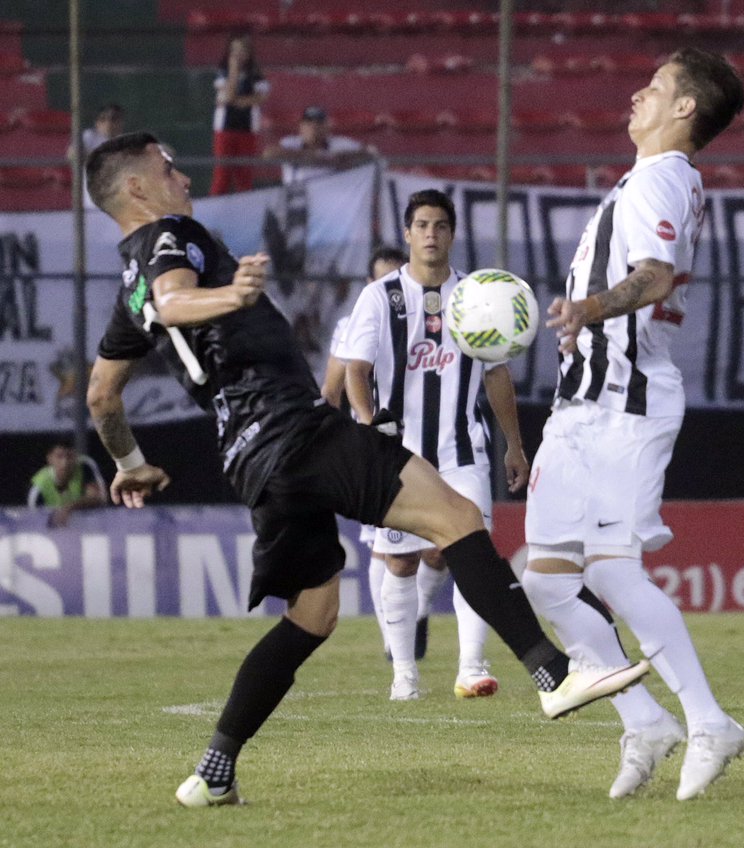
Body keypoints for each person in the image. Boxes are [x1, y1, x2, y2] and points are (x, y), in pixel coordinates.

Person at [82, 132, 650, 808]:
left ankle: (213, 771)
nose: (179, 174)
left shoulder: (127, 287)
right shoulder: (171, 236)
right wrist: (232, 296)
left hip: (250, 461)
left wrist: (131, 463)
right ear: (137, 190)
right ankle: (553, 674)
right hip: (293, 430)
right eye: (165, 166)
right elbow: (176, 302)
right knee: (457, 518)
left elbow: (100, 395)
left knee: (313, 615)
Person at [519, 47, 744, 801]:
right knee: (546, 576)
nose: (635, 95)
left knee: (612, 568)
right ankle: (645, 720)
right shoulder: (646, 177)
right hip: (580, 403)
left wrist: (586, 308)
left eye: (652, 87)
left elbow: (654, 276)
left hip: (628, 397)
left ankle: (711, 720)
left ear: (685, 108)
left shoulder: (661, 176)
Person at [341, 189, 523, 701]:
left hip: (463, 450)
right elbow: (357, 368)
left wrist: (515, 445)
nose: (430, 234)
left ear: (452, 233)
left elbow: (496, 373)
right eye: (421, 225)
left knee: (470, 554)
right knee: (399, 562)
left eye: (440, 225)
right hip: (398, 455)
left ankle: (472, 666)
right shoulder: (380, 296)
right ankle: (405, 674)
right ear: (407, 233)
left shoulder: (477, 295)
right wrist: (366, 420)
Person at [321, 244, 407, 661]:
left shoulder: (431, 315)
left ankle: (416, 613)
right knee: (381, 543)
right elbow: (331, 388)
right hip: (375, 445)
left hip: (433, 439)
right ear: (371, 284)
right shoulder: (354, 322)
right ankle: (392, 638)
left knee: (436, 552)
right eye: (382, 279)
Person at [211, 33, 269, 195]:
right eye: (234, 50)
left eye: (242, 50)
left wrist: (237, 100)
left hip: (247, 129)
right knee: (222, 175)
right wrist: (234, 72)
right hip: (225, 129)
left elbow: (259, 98)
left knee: (244, 175)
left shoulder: (256, 76)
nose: (238, 55)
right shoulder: (223, 73)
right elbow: (229, 96)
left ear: (249, 53)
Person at [263, 106, 375, 185]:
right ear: (301, 126)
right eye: (309, 122)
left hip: (333, 198)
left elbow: (371, 154)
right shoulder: (291, 142)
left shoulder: (341, 143)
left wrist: (339, 158)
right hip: (299, 199)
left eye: (319, 122)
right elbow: (269, 154)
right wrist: (313, 157)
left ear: (327, 126)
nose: (313, 126)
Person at [26, 438, 106, 528]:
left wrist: (68, 508)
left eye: (69, 456)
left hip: (87, 528)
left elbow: (98, 498)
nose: (65, 462)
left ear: (76, 456)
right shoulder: (38, 487)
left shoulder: (84, 466)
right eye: (59, 457)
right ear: (50, 459)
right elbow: (34, 519)